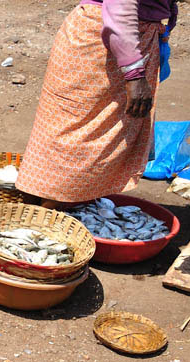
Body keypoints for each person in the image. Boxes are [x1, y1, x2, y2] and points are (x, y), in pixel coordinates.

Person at [16, 0, 178, 207]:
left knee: (73, 136)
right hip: (108, 45)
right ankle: (46, 217)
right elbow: (121, 6)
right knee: (81, 142)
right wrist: (135, 75)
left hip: (113, 39)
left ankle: (43, 209)